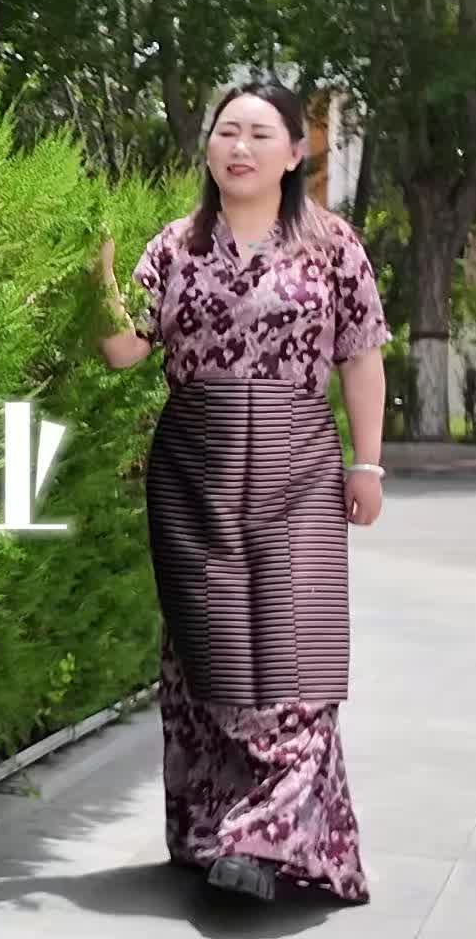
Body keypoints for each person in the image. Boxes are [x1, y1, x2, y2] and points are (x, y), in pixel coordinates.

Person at [92, 80, 389, 905]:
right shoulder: (175, 246)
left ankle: (264, 840)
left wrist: (367, 465)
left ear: (295, 152)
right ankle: (210, 828)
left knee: (297, 649)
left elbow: (362, 355)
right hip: (195, 460)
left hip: (299, 458)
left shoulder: (332, 244)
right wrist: (100, 280)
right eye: (227, 131)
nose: (241, 147)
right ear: (209, 149)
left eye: (261, 133)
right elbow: (124, 351)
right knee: (209, 647)